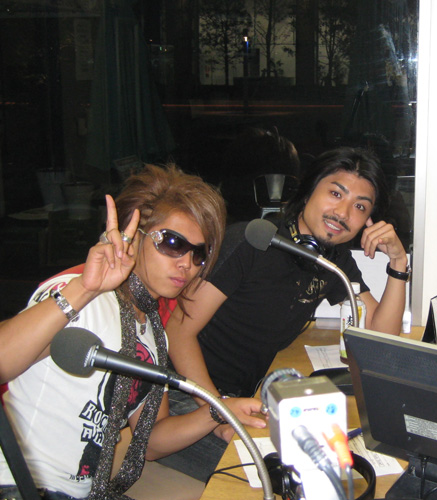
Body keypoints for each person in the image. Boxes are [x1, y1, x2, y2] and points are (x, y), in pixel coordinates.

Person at [0, 164, 264, 499]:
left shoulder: (153, 334)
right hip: (19, 486)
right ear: (135, 236)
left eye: (199, 253)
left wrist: (219, 410)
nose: (186, 263)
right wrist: (84, 288)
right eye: (172, 243)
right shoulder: (82, 296)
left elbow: (151, 441)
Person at [162, 146, 409, 480]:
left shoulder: (332, 261)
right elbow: (178, 332)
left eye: (360, 206)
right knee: (285, 474)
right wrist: (217, 412)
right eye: (336, 193)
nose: (343, 212)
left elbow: (380, 336)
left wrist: (398, 263)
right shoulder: (252, 242)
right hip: (185, 398)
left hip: (244, 398)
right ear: (308, 191)